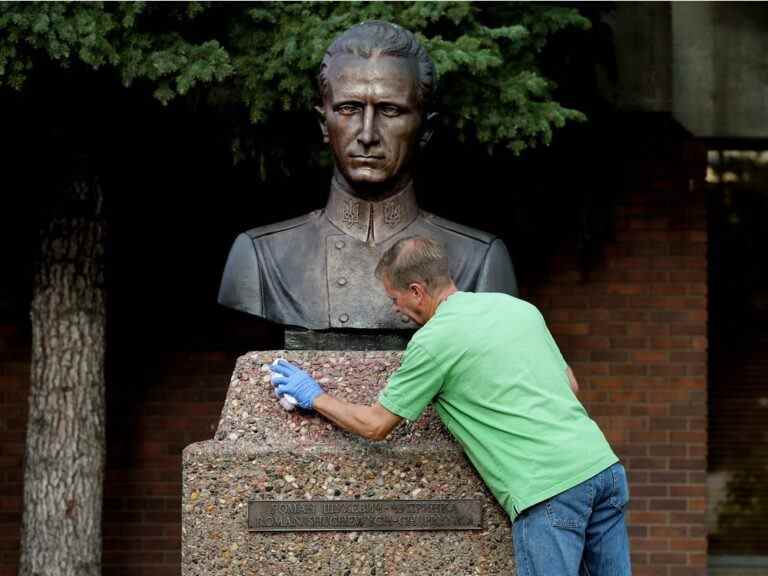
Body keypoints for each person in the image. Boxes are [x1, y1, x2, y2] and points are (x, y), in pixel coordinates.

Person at [270, 236, 632, 575]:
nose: (395, 309)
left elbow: (375, 425)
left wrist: (315, 395)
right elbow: (570, 385)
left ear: (417, 291)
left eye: (394, 298)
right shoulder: (517, 309)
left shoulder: (433, 341)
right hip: (602, 468)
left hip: (547, 489)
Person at [218, 21, 517, 331]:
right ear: (324, 123)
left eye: (390, 110)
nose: (367, 134)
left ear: (425, 130)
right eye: (349, 108)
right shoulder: (263, 258)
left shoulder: (479, 261)